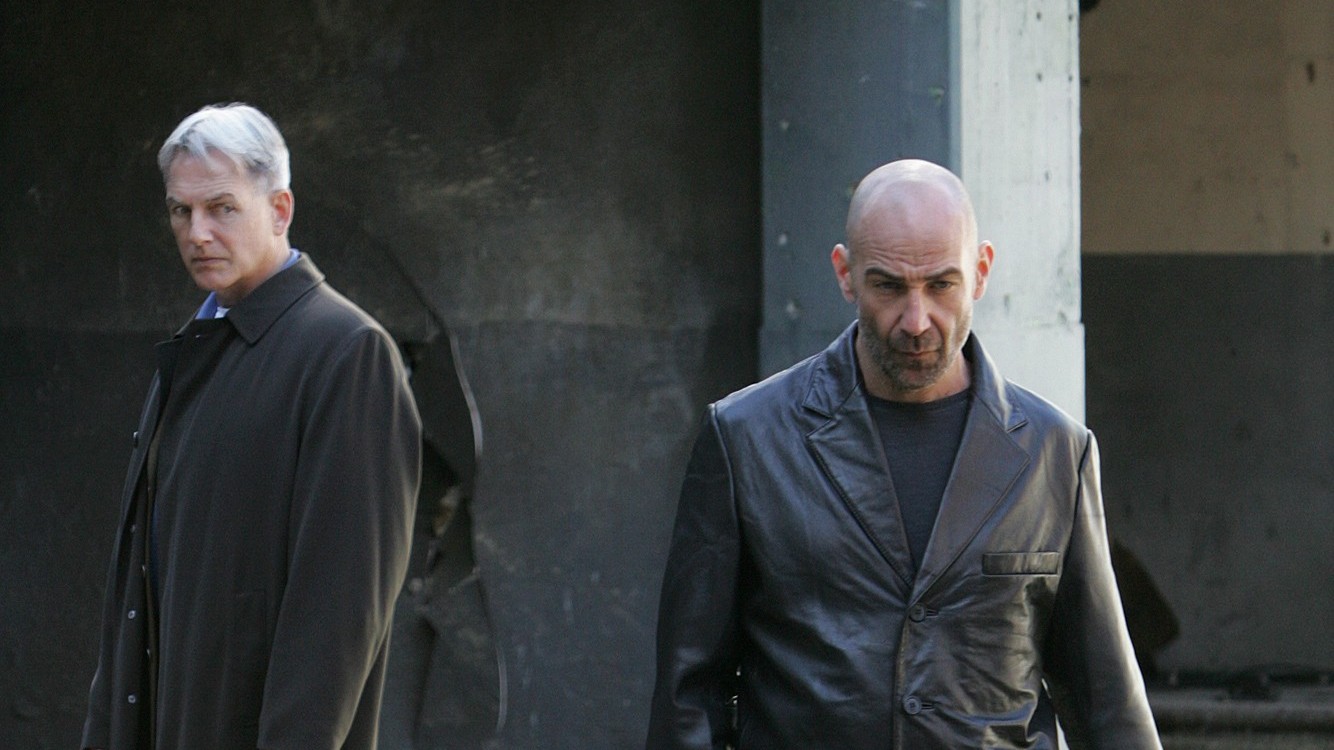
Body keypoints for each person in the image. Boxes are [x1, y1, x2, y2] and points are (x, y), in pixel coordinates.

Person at [646, 159, 1161, 749]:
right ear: (845, 275)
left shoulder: (1056, 452)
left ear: (981, 272)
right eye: (889, 286)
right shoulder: (747, 439)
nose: (916, 322)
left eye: (941, 285)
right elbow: (689, 697)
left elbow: (1107, 704)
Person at [82, 103, 422, 750]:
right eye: (181, 211)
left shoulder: (349, 355)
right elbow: (137, 601)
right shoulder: (194, 350)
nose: (198, 233)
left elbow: (337, 620)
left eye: (222, 208)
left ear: (279, 209)